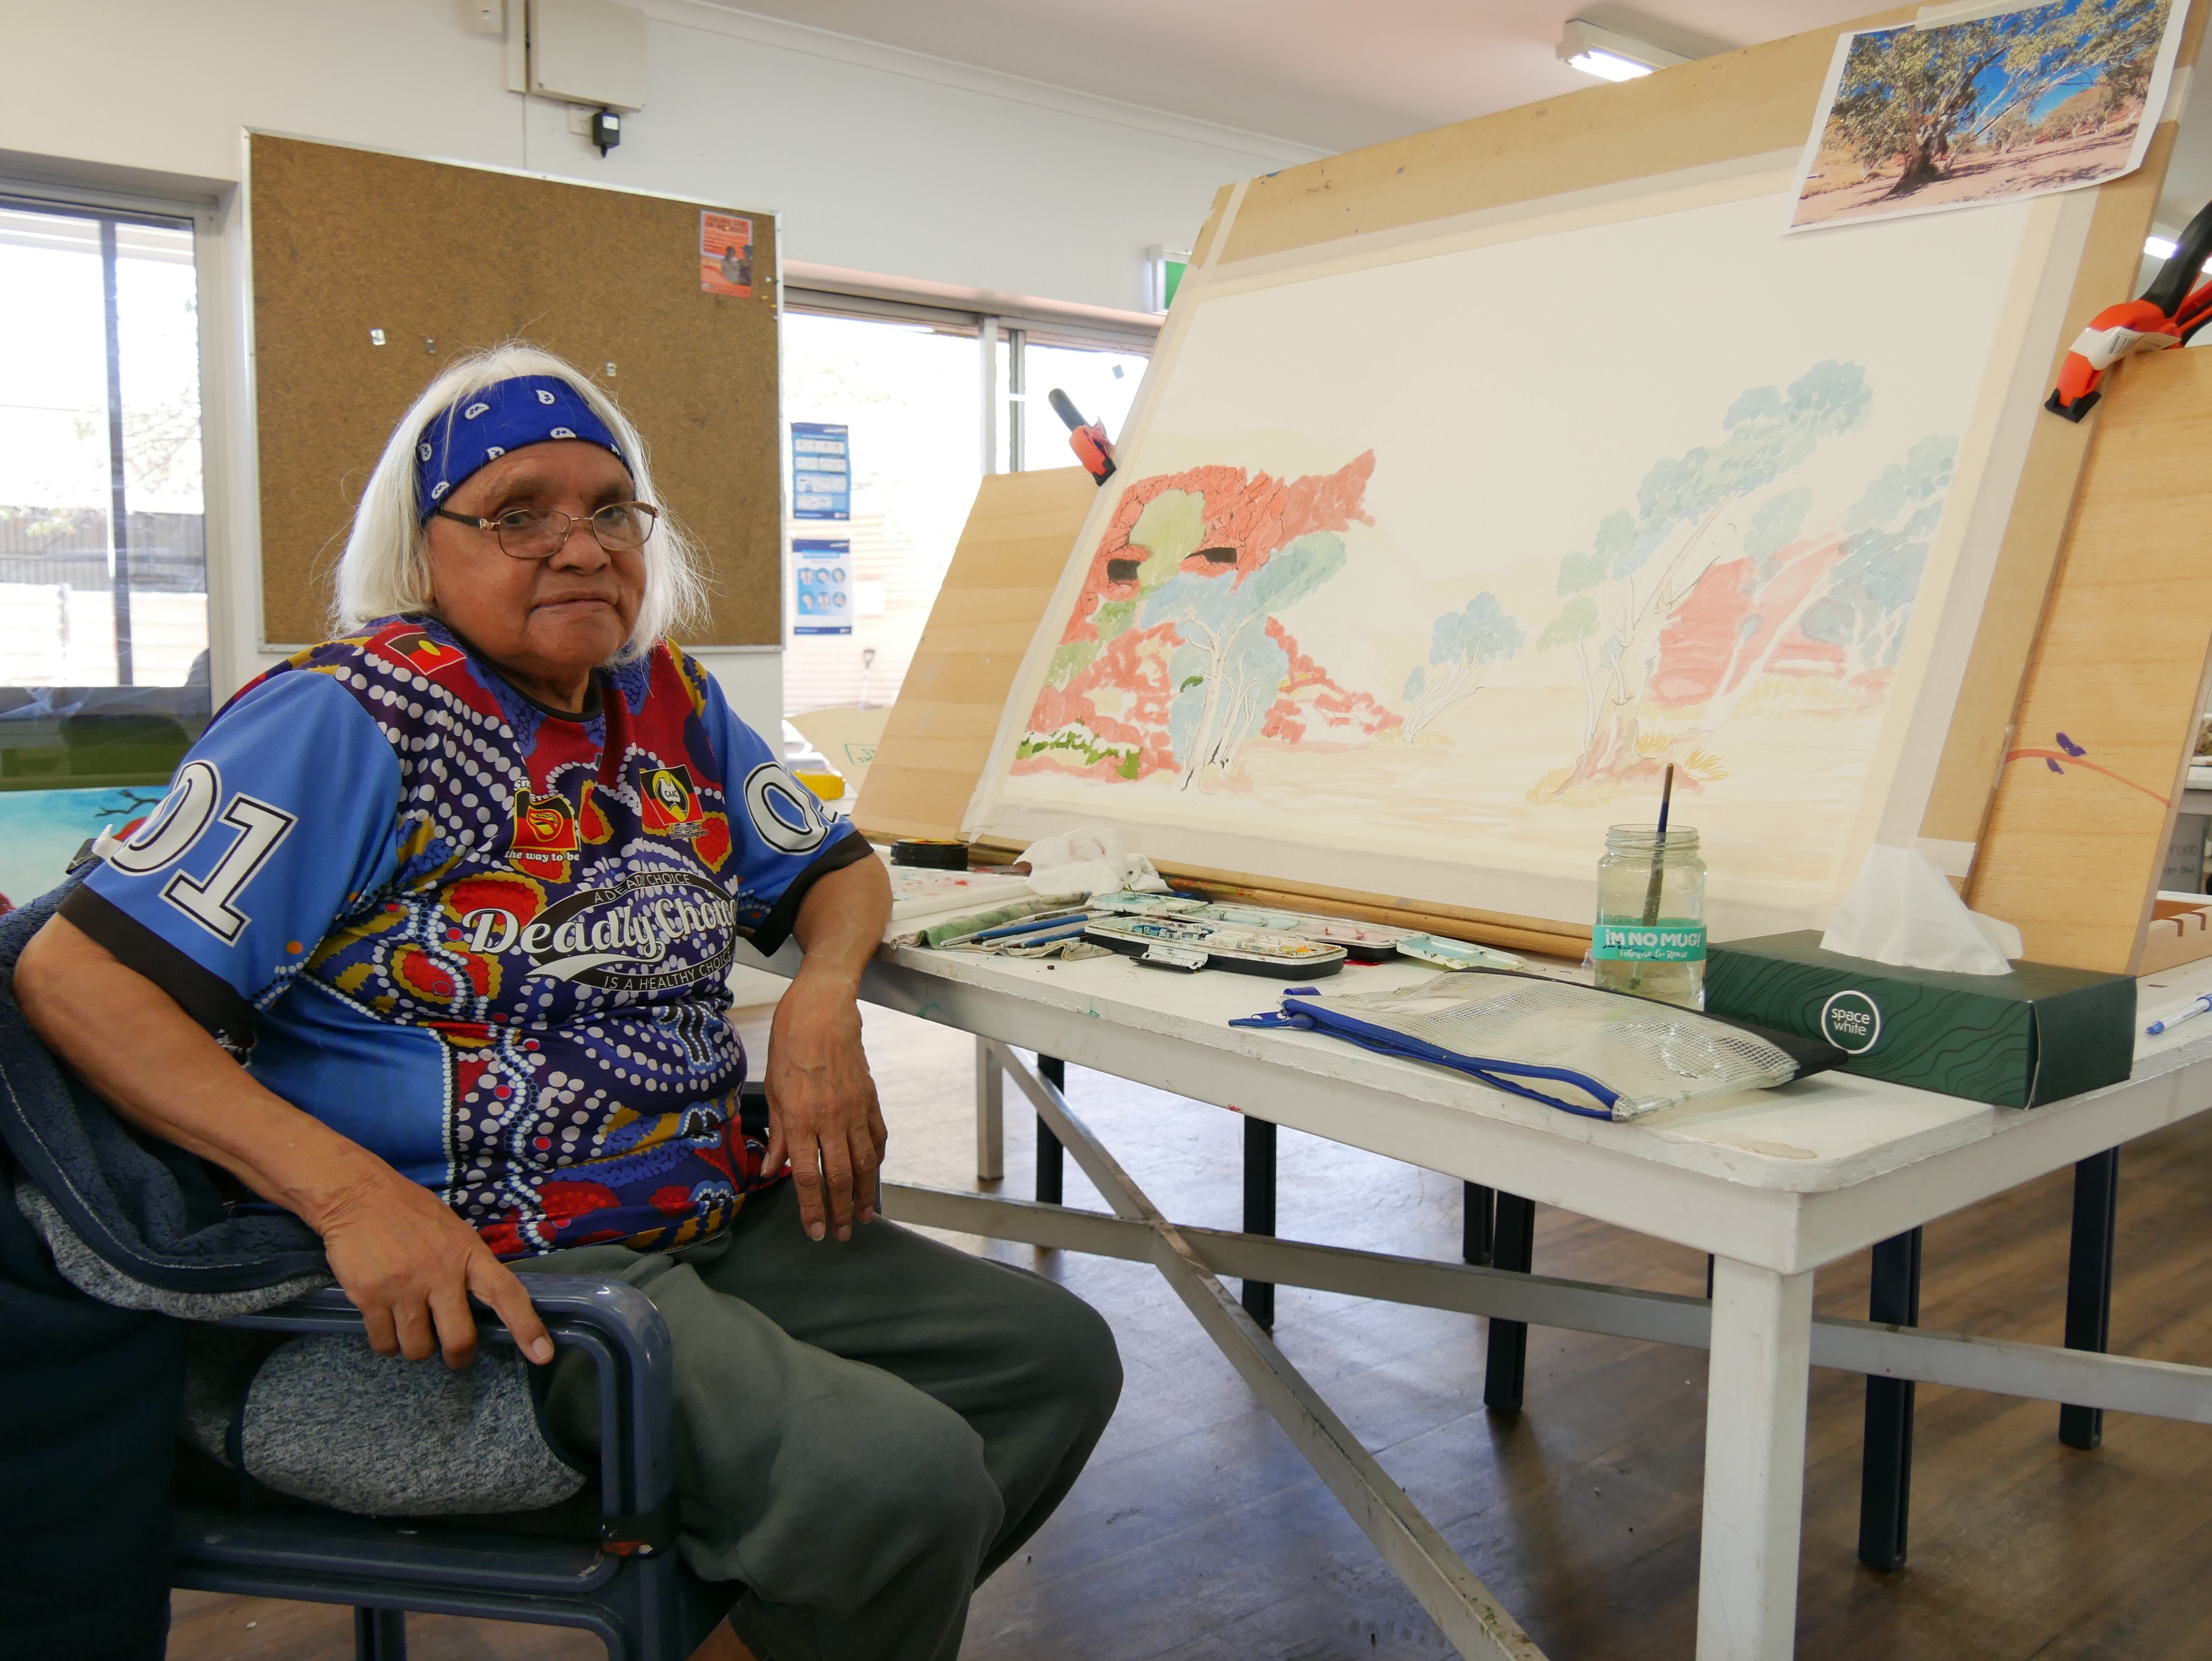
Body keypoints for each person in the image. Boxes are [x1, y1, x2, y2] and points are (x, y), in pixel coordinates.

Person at [14, 343, 1120, 1661]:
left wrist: (825, 1002)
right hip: (504, 1262)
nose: (581, 547)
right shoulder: (343, 718)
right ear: (424, 554)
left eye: (610, 510)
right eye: (519, 513)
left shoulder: (670, 698)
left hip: (704, 1215)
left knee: (1053, 1362)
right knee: (893, 1480)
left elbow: (838, 872)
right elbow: (74, 977)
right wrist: (352, 1197)